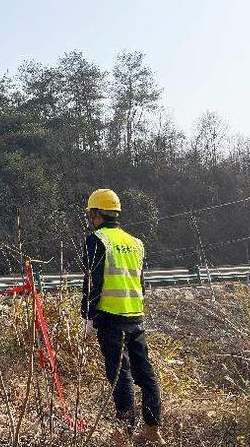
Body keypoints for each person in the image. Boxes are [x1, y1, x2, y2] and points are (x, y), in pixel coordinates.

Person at [81, 188, 165, 445]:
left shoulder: (97, 239)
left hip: (110, 318)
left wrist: (87, 315)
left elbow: (93, 283)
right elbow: (140, 282)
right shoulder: (136, 243)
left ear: (96, 214)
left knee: (120, 375)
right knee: (145, 372)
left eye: (91, 214)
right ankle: (152, 429)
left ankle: (125, 433)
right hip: (135, 316)